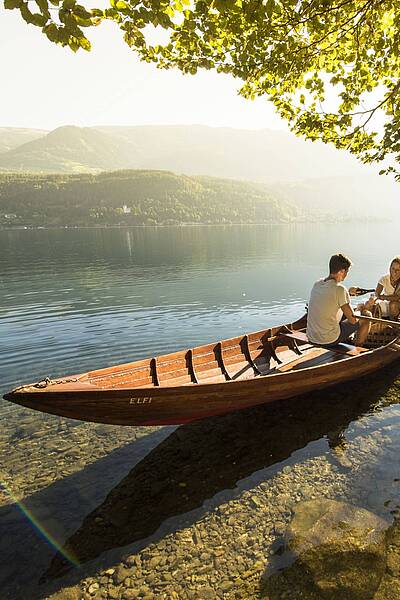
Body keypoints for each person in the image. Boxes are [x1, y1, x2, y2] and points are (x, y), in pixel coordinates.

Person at [306, 253, 371, 347]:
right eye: (347, 272)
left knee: (342, 314)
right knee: (366, 315)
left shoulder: (317, 284)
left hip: (311, 337)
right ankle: (358, 349)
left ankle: (348, 338)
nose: (346, 275)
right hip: (328, 340)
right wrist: (359, 309)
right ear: (342, 271)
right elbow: (353, 320)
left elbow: (330, 296)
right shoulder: (340, 289)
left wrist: (347, 294)